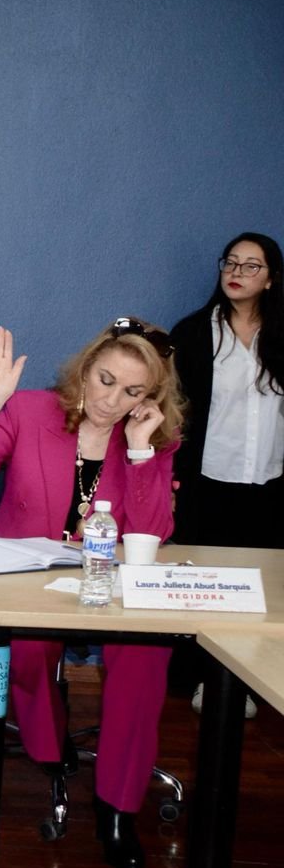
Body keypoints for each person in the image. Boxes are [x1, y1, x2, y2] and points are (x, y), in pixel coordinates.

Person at [0, 319, 185, 868]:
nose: (112, 400)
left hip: (108, 583)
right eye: (105, 380)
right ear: (86, 368)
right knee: (25, 649)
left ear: (149, 398)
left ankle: (117, 807)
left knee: (145, 655)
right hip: (25, 576)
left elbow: (153, 533)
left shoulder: (152, 439)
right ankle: (48, 747)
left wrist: (140, 453)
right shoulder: (29, 411)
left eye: (132, 391)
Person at [170, 232, 282, 718]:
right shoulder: (194, 333)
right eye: (231, 262)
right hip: (207, 482)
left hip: (270, 484)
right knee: (206, 586)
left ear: (271, 279)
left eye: (251, 265)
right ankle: (203, 679)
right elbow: (174, 411)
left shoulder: (281, 334)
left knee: (261, 589)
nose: (236, 272)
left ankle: (248, 682)